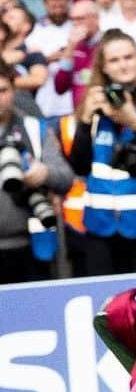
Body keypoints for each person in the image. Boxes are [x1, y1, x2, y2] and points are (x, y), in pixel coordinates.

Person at [66, 29, 136, 275]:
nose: (123, 65)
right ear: (103, 68)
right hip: (99, 225)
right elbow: (80, 167)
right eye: (114, 60)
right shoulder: (94, 104)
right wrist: (85, 122)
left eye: (128, 57)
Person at [0, 61, 73, 283]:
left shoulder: (33, 128)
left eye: (3, 91)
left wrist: (44, 173)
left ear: (14, 90)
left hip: (30, 247)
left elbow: (65, 177)